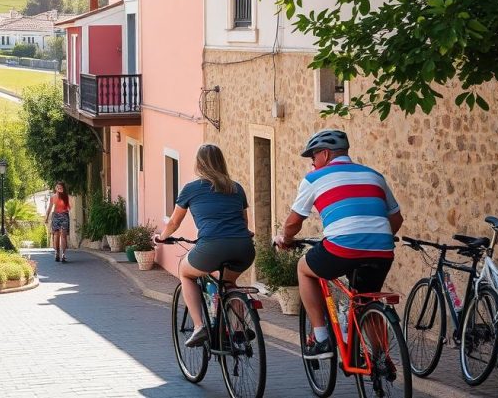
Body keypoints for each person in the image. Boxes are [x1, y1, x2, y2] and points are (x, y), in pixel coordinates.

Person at [273, 129, 403, 358]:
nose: (312, 164)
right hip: (382, 249)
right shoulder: (374, 175)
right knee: (365, 297)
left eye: (313, 157)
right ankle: (381, 360)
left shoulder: (313, 179)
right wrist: (375, 238)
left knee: (304, 269)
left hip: (341, 248)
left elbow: (293, 223)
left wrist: (286, 239)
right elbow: (396, 218)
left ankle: (322, 338)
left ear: (325, 154)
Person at [157, 144, 255, 347]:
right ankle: (238, 329)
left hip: (212, 246)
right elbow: (244, 222)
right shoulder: (236, 188)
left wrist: (161, 237)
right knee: (228, 284)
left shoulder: (191, 189)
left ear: (199, 163)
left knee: (186, 272)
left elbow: (174, 222)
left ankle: (200, 326)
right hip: (244, 247)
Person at [44, 181, 71, 262]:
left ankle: (63, 255)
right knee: (56, 235)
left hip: (64, 216)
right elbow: (50, 207)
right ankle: (57, 253)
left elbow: (69, 207)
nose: (59, 189)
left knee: (63, 235)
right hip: (56, 216)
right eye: (57, 188)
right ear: (56, 188)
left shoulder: (67, 197)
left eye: (60, 188)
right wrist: (47, 217)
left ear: (63, 189)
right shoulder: (53, 197)